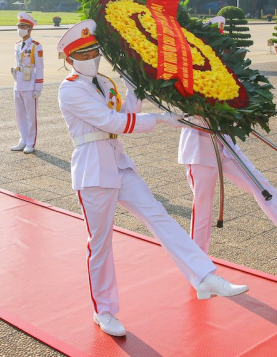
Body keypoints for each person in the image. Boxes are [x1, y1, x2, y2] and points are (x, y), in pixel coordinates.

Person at [56, 19, 248, 338]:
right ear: (70, 59)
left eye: (95, 52)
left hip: (117, 161)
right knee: (100, 244)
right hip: (93, 169)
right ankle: (103, 311)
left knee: (159, 216)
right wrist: (160, 119)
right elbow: (111, 121)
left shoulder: (103, 83)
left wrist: (134, 87)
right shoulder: (69, 90)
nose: (93, 59)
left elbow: (125, 110)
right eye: (84, 54)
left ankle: (204, 277)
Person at [179, 122, 277, 254]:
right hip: (199, 149)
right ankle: (198, 264)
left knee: (261, 186)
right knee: (203, 207)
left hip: (225, 145)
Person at [11, 12, 44, 154]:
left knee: (31, 116)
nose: (20, 29)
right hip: (18, 84)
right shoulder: (17, 45)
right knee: (20, 115)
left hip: (30, 85)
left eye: (23, 26)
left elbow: (40, 68)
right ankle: (23, 139)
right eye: (19, 26)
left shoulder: (36, 46)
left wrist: (38, 87)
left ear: (29, 28)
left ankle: (30, 142)